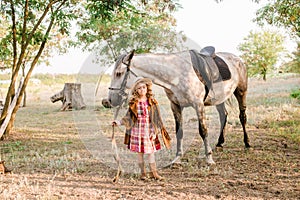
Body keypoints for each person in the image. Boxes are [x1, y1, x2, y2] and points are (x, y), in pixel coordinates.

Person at [112, 78, 171, 181]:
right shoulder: (134, 103)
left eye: (144, 87)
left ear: (147, 88)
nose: (142, 90)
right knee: (140, 153)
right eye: (139, 88)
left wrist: (155, 131)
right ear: (136, 90)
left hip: (149, 131)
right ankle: (143, 173)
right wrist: (118, 122)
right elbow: (128, 117)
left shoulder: (152, 102)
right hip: (137, 131)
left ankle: (154, 173)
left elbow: (156, 119)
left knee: (151, 152)